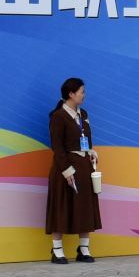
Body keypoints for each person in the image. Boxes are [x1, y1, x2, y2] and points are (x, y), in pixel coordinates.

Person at [46, 77, 101, 264]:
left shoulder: (83, 114)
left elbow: (86, 140)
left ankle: (83, 249)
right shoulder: (58, 116)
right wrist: (67, 171)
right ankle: (57, 251)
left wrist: (91, 152)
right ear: (71, 94)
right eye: (81, 92)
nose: (84, 95)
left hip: (84, 167)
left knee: (84, 206)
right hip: (65, 169)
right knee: (61, 207)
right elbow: (57, 148)